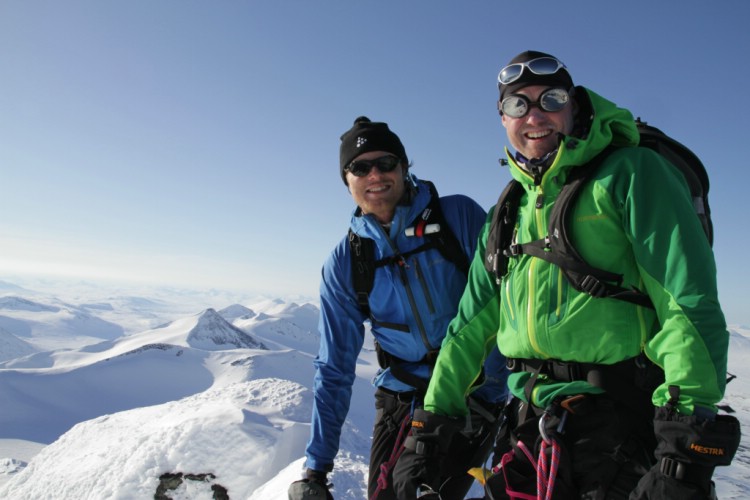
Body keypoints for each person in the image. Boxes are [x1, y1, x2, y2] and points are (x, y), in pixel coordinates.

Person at [393, 51, 740, 499]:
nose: (534, 115)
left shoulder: (633, 174)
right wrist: (432, 423)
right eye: (518, 104)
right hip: (531, 422)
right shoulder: (509, 207)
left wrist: (685, 443)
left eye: (550, 99)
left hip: (621, 425)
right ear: (502, 118)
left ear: (574, 105)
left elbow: (685, 303)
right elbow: (470, 325)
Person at [288, 116, 510, 500]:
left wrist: (488, 388)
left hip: (472, 389)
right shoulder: (346, 262)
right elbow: (335, 367)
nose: (375, 174)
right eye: (360, 167)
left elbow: (502, 300)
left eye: (386, 163)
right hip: (401, 394)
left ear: (405, 168)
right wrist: (317, 467)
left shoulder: (458, 217)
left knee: (420, 489)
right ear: (347, 181)